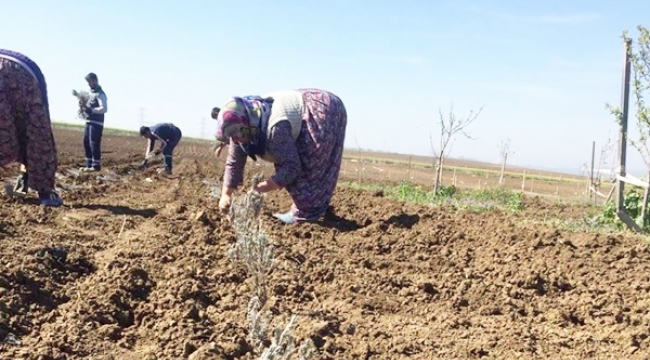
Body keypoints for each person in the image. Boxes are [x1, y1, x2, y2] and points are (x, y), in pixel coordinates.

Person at [215, 88, 347, 224]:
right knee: (289, 160)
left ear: (247, 125)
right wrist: (226, 195)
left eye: (236, 135)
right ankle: (317, 209)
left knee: (308, 167)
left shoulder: (274, 130)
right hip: (307, 103)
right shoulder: (243, 128)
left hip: (322, 110)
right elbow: (234, 163)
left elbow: (292, 167)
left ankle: (305, 217)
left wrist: (262, 188)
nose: (235, 140)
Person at [0, 48, 63, 206]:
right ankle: (45, 192)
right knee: (34, 130)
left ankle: (30, 179)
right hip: (23, 71)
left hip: (18, 71)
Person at [72, 72, 107, 172]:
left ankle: (96, 165)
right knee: (86, 141)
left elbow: (104, 108)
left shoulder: (100, 94)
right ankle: (89, 164)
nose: (88, 84)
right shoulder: (91, 93)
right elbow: (87, 103)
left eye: (90, 82)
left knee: (94, 142)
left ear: (95, 81)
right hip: (89, 120)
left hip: (96, 122)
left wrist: (93, 110)